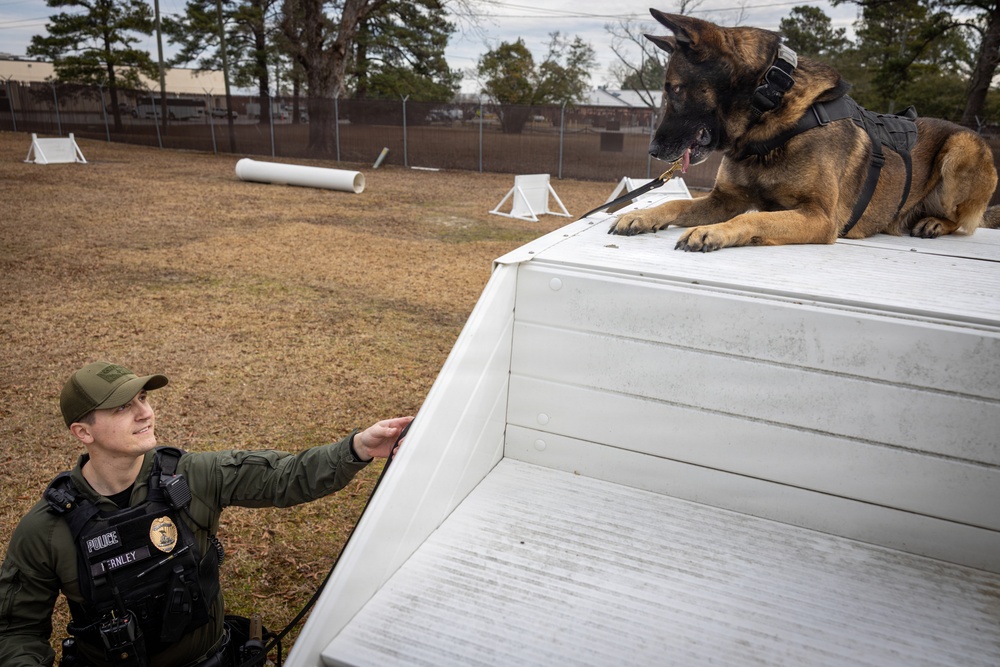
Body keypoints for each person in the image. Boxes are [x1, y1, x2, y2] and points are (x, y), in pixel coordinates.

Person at [0, 361, 412, 667]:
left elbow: (286, 477)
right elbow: (17, 631)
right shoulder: (45, 530)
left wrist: (358, 447)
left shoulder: (191, 475)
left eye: (143, 398)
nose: (145, 412)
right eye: (123, 407)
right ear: (83, 432)